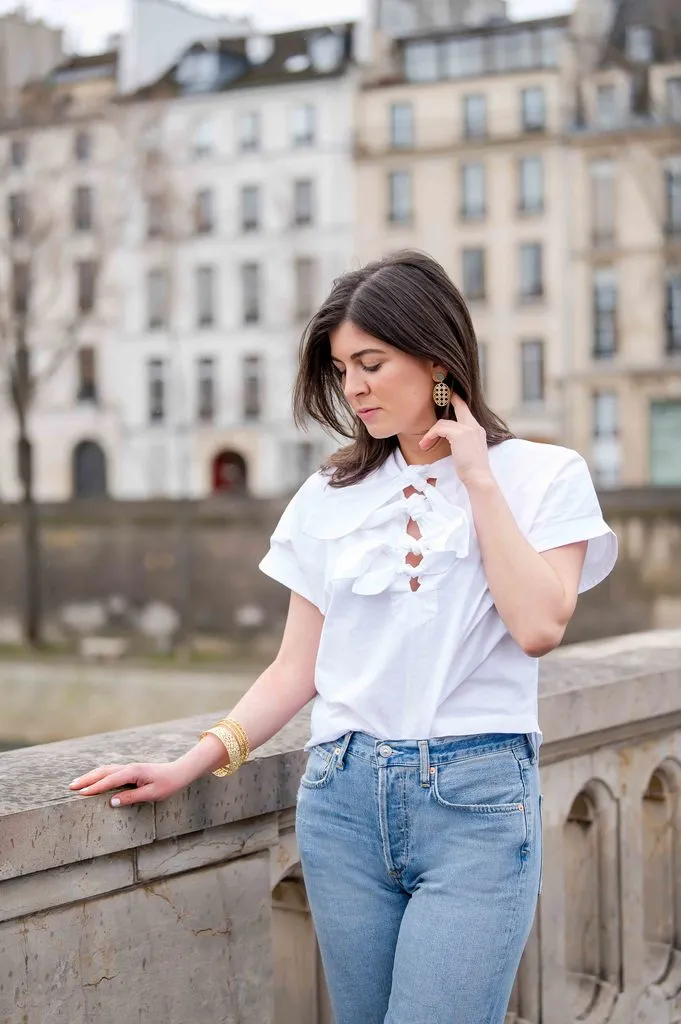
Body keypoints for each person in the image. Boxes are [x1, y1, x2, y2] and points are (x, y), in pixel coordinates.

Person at [70, 250, 618, 1024]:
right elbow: (296, 669)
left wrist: (478, 479)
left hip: (475, 804)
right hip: (341, 802)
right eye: (340, 369)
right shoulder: (329, 494)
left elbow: (537, 626)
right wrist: (187, 764)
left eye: (371, 363)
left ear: (436, 358)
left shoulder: (543, 475)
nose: (353, 388)